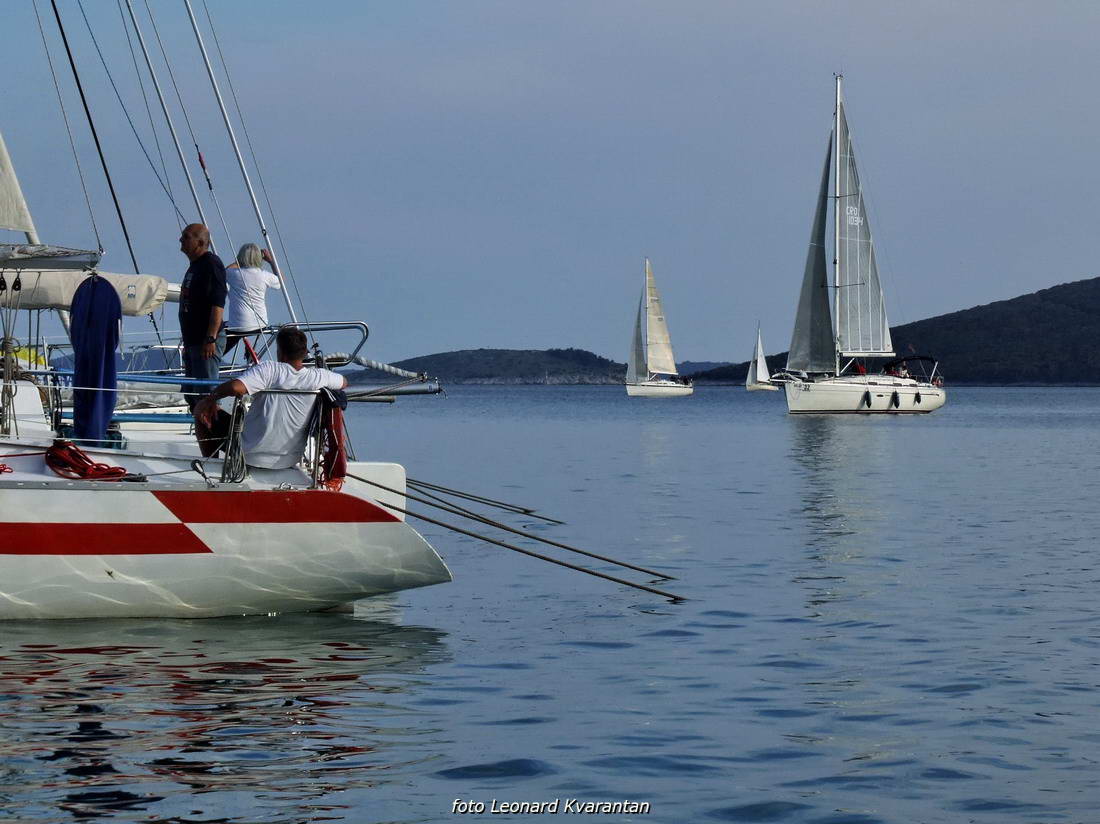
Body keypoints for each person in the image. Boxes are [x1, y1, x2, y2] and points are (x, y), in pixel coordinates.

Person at [193, 327, 347, 468]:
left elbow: (235, 387)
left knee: (202, 409)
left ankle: (210, 466)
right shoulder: (317, 377)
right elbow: (344, 382)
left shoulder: (270, 370)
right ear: (304, 352)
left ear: (281, 353)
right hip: (289, 459)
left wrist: (210, 399)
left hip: (249, 455)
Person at [178, 223, 227, 409]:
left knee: (206, 395)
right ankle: (201, 429)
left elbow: (218, 303)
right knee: (192, 394)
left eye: (186, 236)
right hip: (193, 341)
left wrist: (210, 337)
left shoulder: (210, 264)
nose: (181, 239)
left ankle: (214, 433)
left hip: (205, 341)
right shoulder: (194, 266)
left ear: (199, 242)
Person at [224, 242, 282, 356]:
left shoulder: (234, 274)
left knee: (222, 329)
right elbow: (280, 281)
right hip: (260, 324)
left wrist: (239, 261)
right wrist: (271, 261)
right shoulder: (264, 275)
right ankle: (250, 351)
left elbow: (226, 269)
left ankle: (214, 356)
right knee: (236, 327)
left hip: (237, 326)